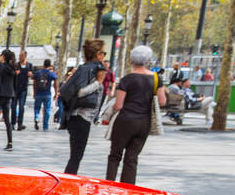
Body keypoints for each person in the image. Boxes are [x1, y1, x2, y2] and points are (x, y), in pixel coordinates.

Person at [106, 44, 167, 184]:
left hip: (125, 121)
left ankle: (109, 184)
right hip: (144, 122)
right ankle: (128, 188)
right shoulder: (157, 79)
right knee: (132, 158)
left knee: (115, 156)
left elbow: (119, 105)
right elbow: (162, 101)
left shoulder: (127, 79)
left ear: (131, 61)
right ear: (148, 61)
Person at [58, 39, 108, 175]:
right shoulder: (90, 69)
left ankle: (68, 181)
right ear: (98, 54)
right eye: (104, 53)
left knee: (76, 156)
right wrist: (98, 82)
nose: (104, 56)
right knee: (76, 157)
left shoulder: (89, 68)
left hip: (80, 118)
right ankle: (67, 183)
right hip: (80, 116)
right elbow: (79, 92)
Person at [32, 58, 57, 130]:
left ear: (43, 64)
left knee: (37, 108)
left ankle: (36, 117)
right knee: (47, 110)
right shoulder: (51, 73)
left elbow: (34, 83)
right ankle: (45, 126)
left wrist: (34, 93)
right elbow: (55, 83)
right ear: (49, 65)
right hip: (47, 94)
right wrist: (56, 93)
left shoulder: (37, 73)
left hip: (38, 94)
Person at [13, 51, 32, 130]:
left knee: (21, 107)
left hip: (24, 88)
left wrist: (30, 74)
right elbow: (12, 74)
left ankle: (20, 124)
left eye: (22, 55)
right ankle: (12, 123)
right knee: (13, 106)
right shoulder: (16, 65)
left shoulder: (29, 65)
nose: (20, 57)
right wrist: (15, 73)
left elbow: (31, 74)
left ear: (25, 56)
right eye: (19, 55)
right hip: (15, 88)